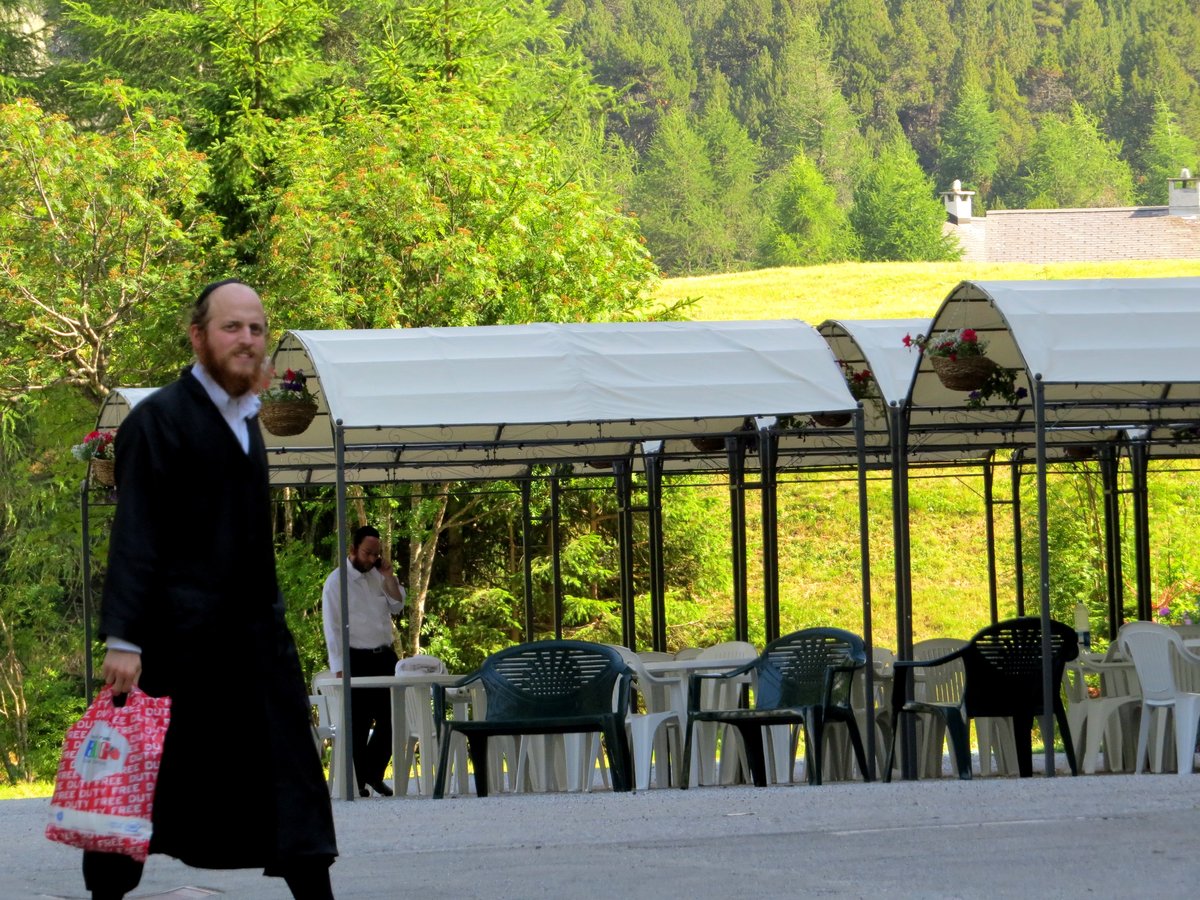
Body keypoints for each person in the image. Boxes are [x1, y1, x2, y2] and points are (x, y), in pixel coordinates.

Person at [91, 279, 337, 900]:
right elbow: (136, 533)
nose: (247, 339)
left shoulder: (249, 422)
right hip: (181, 650)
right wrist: (124, 638)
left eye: (256, 328)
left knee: (292, 786)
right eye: (232, 327)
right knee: (144, 789)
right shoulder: (157, 421)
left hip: (256, 648)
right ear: (199, 336)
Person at [321, 525, 406, 797]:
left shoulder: (378, 575)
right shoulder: (336, 582)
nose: (372, 559)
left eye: (376, 554)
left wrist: (389, 577)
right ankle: (358, 781)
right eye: (368, 553)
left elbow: (398, 605)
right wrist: (339, 667)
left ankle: (373, 772)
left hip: (384, 656)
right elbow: (332, 627)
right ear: (353, 549)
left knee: (391, 719)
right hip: (355, 657)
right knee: (358, 723)